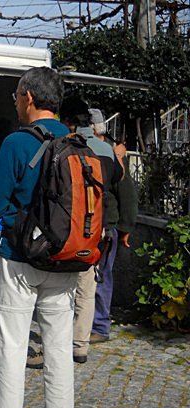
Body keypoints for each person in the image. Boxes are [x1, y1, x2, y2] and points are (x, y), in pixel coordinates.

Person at [0, 67, 76, 408]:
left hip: (20, 259)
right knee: (59, 348)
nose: (17, 103)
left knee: (12, 348)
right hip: (65, 260)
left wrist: (17, 221)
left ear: (29, 98)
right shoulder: (75, 141)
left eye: (17, 96)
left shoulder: (17, 142)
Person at [25, 98, 128, 370]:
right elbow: (118, 178)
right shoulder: (104, 149)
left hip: (66, 227)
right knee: (86, 288)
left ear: (67, 120)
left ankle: (50, 349)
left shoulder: (63, 144)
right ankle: (80, 345)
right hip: (97, 228)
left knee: (58, 292)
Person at [86, 108, 137, 344]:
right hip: (94, 223)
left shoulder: (112, 155)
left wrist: (126, 228)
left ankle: (99, 325)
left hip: (106, 224)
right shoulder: (107, 152)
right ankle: (89, 323)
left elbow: (127, 195)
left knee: (102, 276)